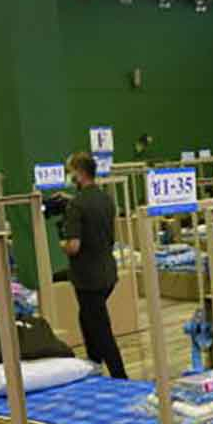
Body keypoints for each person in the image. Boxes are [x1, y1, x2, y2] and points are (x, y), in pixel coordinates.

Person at [61, 152, 126, 380]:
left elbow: (74, 246)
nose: (70, 177)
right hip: (107, 271)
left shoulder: (76, 206)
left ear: (79, 173)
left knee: (99, 327)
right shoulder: (106, 200)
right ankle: (95, 365)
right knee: (87, 319)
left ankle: (120, 376)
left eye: (70, 172)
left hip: (87, 277)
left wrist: (62, 244)